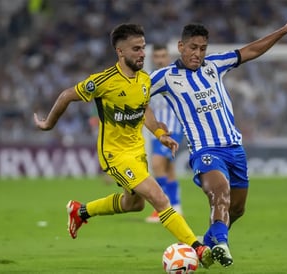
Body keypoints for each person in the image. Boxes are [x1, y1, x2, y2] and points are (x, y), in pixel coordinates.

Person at [33, 23, 213, 268]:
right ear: (120, 52)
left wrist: (160, 133)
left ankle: (80, 211)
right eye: (136, 49)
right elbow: (67, 95)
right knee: (159, 198)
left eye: (143, 48)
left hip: (137, 151)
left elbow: (144, 109)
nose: (142, 54)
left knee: (134, 204)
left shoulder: (143, 80)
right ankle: (198, 248)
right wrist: (48, 124)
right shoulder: (104, 81)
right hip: (115, 155)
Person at [150, 15, 287, 267]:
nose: (198, 54)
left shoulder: (215, 65)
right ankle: (222, 245)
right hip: (205, 149)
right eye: (193, 48)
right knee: (219, 191)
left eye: (202, 48)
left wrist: (285, 29)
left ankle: (211, 240)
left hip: (234, 149)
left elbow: (252, 49)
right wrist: (155, 127)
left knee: (236, 209)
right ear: (181, 47)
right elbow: (136, 94)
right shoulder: (165, 77)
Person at [145, 44, 184, 223]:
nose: (160, 59)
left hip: (173, 129)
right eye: (157, 56)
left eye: (163, 56)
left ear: (168, 57)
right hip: (157, 132)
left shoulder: (176, 76)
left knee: (157, 164)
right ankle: (176, 206)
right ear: (153, 58)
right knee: (168, 169)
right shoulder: (149, 79)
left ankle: (164, 208)